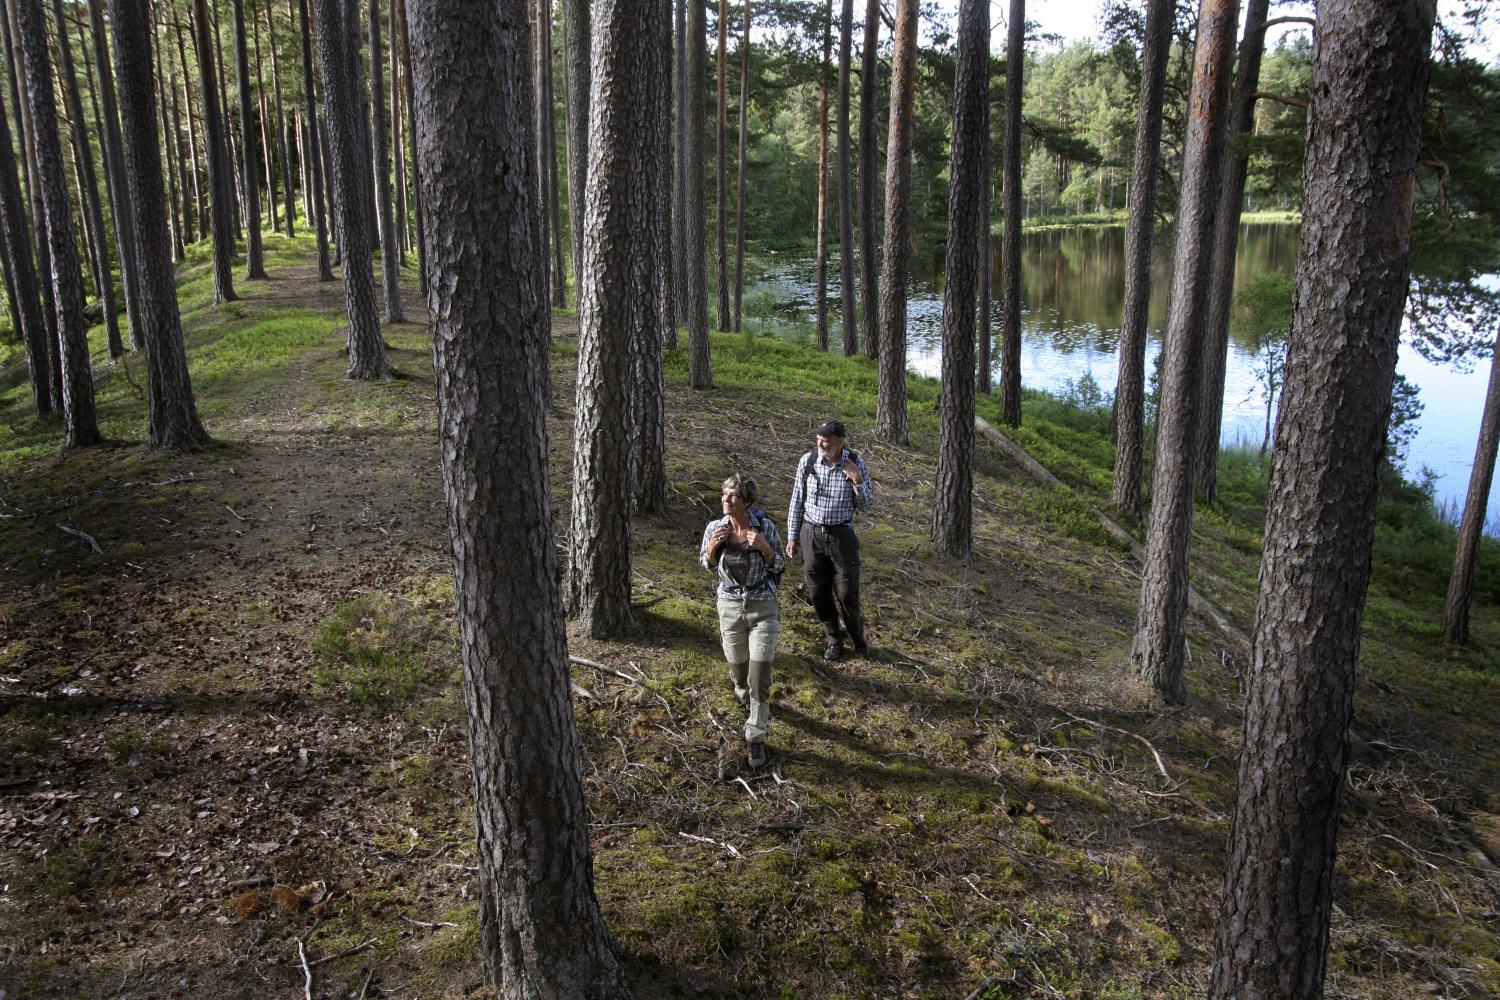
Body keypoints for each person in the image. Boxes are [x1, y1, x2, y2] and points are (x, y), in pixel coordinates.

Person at [700, 474, 785, 770]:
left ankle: (756, 736)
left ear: (747, 501)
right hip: (730, 606)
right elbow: (706, 564)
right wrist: (712, 548)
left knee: (760, 672)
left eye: (733, 495)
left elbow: (780, 564)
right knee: (739, 668)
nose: (726, 499)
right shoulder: (715, 528)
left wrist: (764, 547)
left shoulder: (765, 528)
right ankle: (743, 692)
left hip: (763, 607)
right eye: (724, 494)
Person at [785, 419, 874, 661]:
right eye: (818, 439)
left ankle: (858, 638)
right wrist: (793, 535)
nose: (821, 443)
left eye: (826, 439)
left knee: (847, 593)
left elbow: (867, 505)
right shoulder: (808, 461)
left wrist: (857, 480)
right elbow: (797, 500)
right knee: (817, 591)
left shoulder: (855, 462)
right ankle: (834, 638)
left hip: (841, 537)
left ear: (840, 441)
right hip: (811, 534)